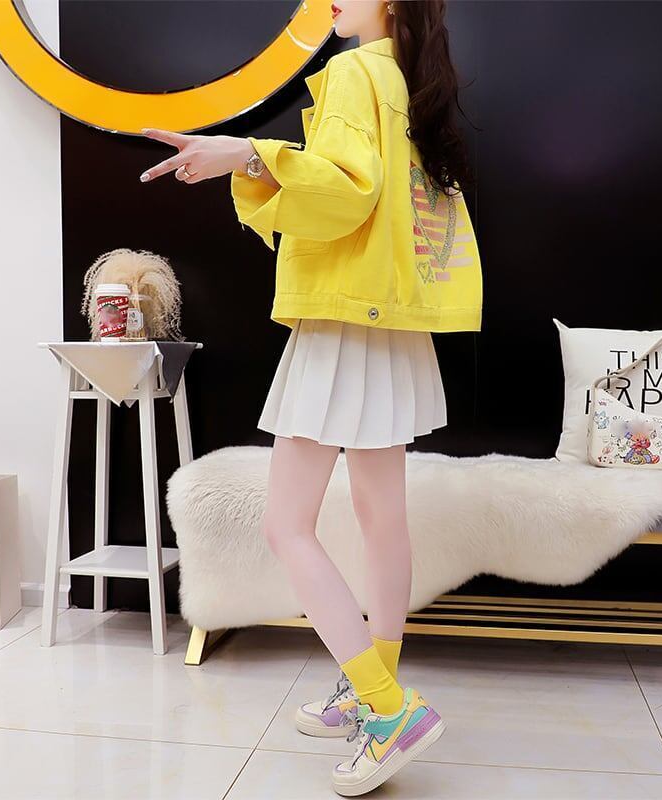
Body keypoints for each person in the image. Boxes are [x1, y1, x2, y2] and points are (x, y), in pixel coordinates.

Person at [139, 1, 481, 794]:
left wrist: (248, 156)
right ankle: (373, 684)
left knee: (286, 525)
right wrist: (257, 159)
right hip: (392, 324)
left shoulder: (358, 71)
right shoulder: (407, 78)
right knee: (381, 517)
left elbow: (346, 194)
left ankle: (388, 710)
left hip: (342, 325)